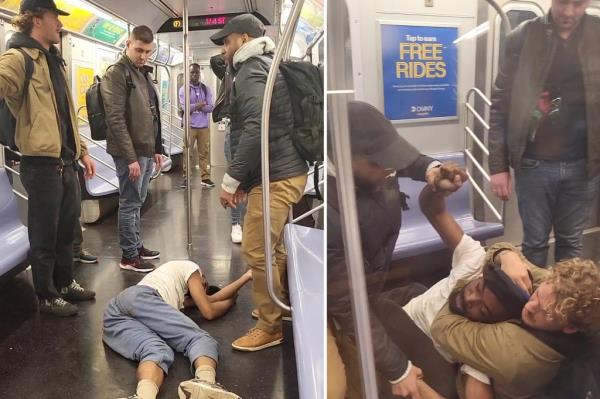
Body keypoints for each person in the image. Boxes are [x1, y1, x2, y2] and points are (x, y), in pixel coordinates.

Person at [327, 101, 467, 399]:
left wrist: (432, 170)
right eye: (379, 163)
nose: (389, 169)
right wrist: (397, 369)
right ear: (343, 157)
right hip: (341, 312)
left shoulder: (372, 169)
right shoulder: (331, 215)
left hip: (371, 294)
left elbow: (404, 161)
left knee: (438, 370)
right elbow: (346, 304)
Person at [210, 14, 309, 351]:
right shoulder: (267, 64)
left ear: (243, 39)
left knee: (256, 248)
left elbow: (254, 129)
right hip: (282, 170)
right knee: (274, 247)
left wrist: (230, 179)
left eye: (227, 41)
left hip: (277, 176)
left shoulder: (251, 70)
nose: (224, 49)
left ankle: (270, 326)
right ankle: (278, 306)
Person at [0, 0, 97, 317]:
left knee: (67, 229)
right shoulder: (18, 58)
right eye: (56, 17)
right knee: (44, 232)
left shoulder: (53, 60)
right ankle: (46, 294)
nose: (60, 24)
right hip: (40, 164)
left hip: (66, 161)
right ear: (37, 19)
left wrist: (82, 152)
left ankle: (65, 282)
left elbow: (66, 115)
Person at [489, 0, 600, 266]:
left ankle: (564, 305)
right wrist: (498, 165)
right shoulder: (522, 38)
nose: (569, 12)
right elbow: (501, 103)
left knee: (571, 244)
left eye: (578, 4)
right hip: (533, 164)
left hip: (584, 166)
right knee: (534, 244)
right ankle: (534, 305)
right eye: (563, 2)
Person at [103, 260, 250, 399]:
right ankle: (206, 382)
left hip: (113, 315)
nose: (202, 290)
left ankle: (144, 395)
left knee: (156, 350)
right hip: (141, 296)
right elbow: (209, 310)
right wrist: (244, 280)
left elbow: (211, 299)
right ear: (202, 278)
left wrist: (230, 297)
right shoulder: (193, 270)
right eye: (203, 286)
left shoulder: (179, 296)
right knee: (199, 338)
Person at [101, 25, 163, 273]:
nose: (143, 56)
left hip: (145, 150)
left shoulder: (142, 73)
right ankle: (128, 256)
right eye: (139, 50)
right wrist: (130, 158)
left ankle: (136, 245)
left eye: (148, 52)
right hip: (130, 153)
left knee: (137, 201)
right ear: (128, 44)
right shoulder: (117, 73)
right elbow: (115, 117)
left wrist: (157, 148)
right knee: (129, 202)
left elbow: (152, 113)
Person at [210, 51, 245, 244]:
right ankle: (236, 223)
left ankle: (248, 222)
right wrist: (231, 53)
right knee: (236, 179)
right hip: (234, 128)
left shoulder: (255, 72)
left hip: (252, 128)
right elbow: (215, 60)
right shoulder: (229, 71)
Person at [179, 63, 215, 189]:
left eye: (197, 73)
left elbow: (210, 107)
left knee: (204, 153)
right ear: (188, 74)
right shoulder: (184, 90)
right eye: (192, 72)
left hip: (203, 127)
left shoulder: (206, 89)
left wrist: (196, 106)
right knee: (187, 153)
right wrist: (199, 105)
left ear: (199, 74)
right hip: (190, 126)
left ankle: (205, 178)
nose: (194, 75)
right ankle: (186, 178)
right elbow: (185, 107)